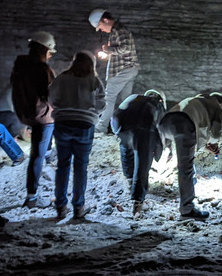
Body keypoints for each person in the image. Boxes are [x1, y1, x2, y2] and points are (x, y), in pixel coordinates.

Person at [49, 51, 106, 220]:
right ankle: (78, 208)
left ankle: (60, 206)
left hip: (63, 123)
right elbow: (102, 102)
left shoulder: (61, 78)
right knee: (81, 167)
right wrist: (91, 113)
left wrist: (61, 109)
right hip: (84, 125)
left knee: (62, 165)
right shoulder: (93, 80)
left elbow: (50, 97)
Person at [157, 92, 222, 220]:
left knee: (186, 159)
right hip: (184, 124)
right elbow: (216, 133)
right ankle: (187, 209)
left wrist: (206, 145)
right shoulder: (216, 106)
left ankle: (191, 184)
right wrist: (212, 144)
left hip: (165, 123)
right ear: (221, 104)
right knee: (185, 167)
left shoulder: (196, 101)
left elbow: (196, 134)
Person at [11, 31, 57, 208]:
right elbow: (50, 94)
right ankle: (32, 197)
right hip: (43, 117)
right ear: (43, 49)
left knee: (40, 152)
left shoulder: (20, 66)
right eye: (50, 52)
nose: (50, 56)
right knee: (37, 155)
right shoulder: (42, 69)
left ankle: (46, 165)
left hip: (28, 114)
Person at [111, 90, 167, 218]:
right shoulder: (157, 105)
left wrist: (117, 132)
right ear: (160, 100)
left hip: (120, 125)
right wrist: (159, 151)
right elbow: (160, 131)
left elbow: (118, 112)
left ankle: (130, 180)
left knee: (126, 149)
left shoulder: (133, 97)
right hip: (143, 129)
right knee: (143, 163)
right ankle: (137, 201)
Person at [89, 9, 140, 135]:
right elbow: (123, 50)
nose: (101, 30)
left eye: (100, 26)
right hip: (128, 69)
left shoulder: (119, 30)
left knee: (109, 98)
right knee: (126, 100)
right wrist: (108, 54)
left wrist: (109, 49)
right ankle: (126, 128)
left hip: (121, 70)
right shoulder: (117, 31)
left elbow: (125, 48)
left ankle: (101, 128)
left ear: (105, 20)